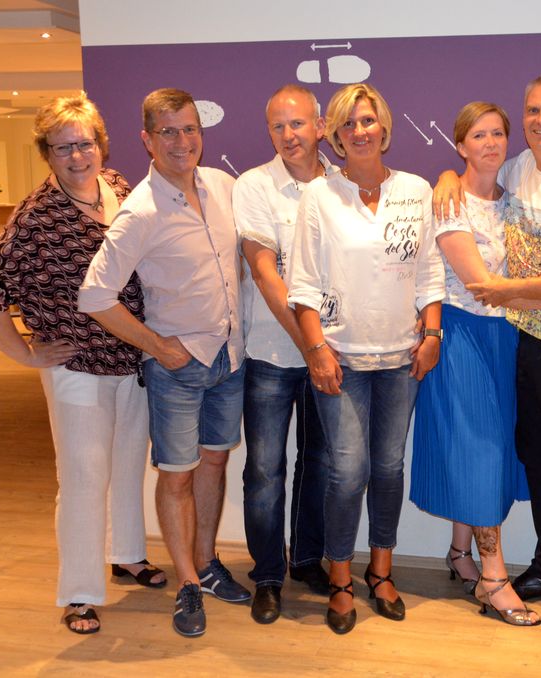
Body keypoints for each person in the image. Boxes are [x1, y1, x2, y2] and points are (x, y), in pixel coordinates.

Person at [0, 94, 165, 635]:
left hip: (131, 358)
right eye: (63, 148)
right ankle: (79, 593)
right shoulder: (36, 216)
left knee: (128, 466)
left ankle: (127, 554)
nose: (77, 156)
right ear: (47, 154)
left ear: (101, 144)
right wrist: (23, 352)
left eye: (85, 143)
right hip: (77, 368)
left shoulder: (118, 187)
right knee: (82, 479)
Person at [412, 101, 541, 626]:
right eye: (478, 135)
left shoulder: (513, 190)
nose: (491, 143)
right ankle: (493, 579)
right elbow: (480, 284)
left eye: (497, 133)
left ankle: (460, 553)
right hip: (464, 338)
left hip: (509, 339)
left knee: (491, 448)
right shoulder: (449, 201)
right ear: (460, 144)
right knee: (480, 452)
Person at [79, 88, 250, 638]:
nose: (182, 141)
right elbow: (94, 295)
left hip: (229, 359)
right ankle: (187, 584)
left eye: (190, 129)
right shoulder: (140, 211)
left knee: (215, 463)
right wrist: (155, 345)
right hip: (177, 368)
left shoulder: (223, 187)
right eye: (168, 132)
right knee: (177, 475)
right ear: (147, 140)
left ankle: (207, 562)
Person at [287, 83, 445, 635]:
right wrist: (316, 350)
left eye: (368, 120)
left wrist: (432, 334)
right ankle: (339, 577)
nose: (360, 131)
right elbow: (302, 284)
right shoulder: (319, 196)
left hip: (403, 359)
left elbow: (429, 270)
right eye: (348, 124)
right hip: (341, 360)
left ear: (385, 127)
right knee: (347, 470)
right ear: (335, 135)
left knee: (388, 467)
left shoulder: (416, 190)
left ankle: (381, 570)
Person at [233, 84, 334, 624]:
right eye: (278, 126)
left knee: (319, 464)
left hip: (331, 352)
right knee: (265, 472)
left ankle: (308, 561)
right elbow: (264, 272)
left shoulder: (342, 184)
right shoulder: (254, 185)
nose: (289, 135)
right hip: (273, 354)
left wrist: (324, 350)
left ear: (320, 126)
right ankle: (268, 575)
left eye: (297, 123)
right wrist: (310, 345)